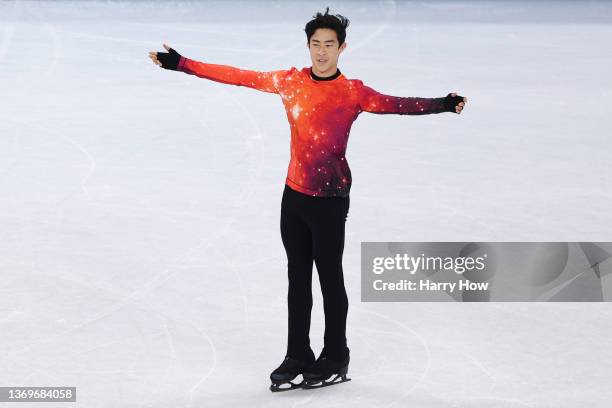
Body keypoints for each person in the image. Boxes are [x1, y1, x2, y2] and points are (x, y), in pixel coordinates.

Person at [148, 7, 466, 392]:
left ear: (342, 48)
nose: (321, 52)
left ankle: (336, 355)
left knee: (329, 277)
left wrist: (443, 103)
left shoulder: (353, 93)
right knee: (297, 278)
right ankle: (297, 353)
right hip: (293, 196)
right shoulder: (290, 82)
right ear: (308, 46)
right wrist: (182, 63)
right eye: (315, 44)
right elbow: (238, 76)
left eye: (329, 45)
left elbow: (399, 104)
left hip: (331, 200)